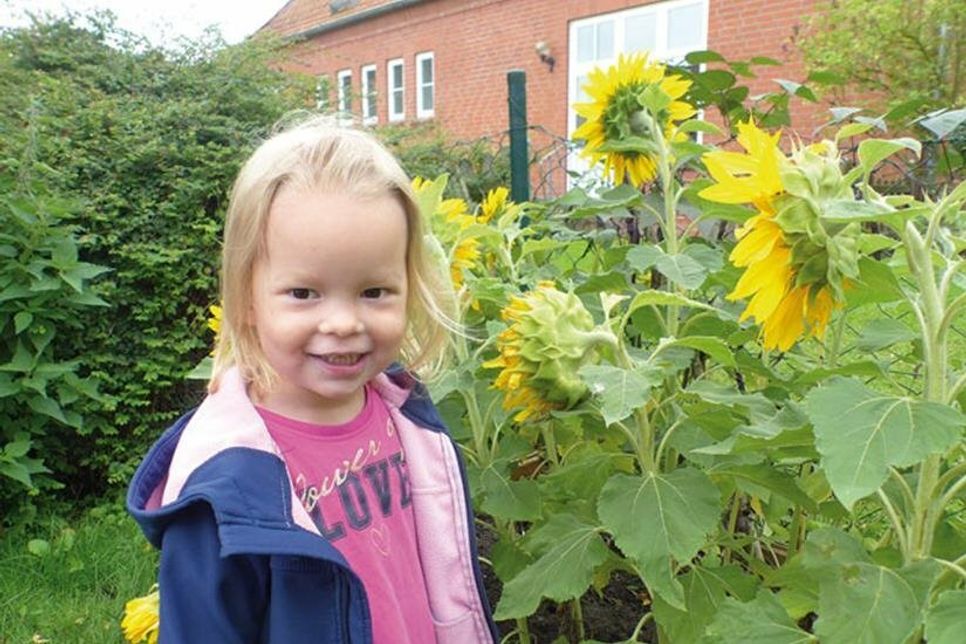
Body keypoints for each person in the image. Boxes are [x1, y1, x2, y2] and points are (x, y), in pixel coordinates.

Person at [127, 115, 497, 643]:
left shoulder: (406, 418)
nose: (344, 323)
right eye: (303, 293)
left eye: (375, 292)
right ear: (246, 298)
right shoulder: (221, 492)